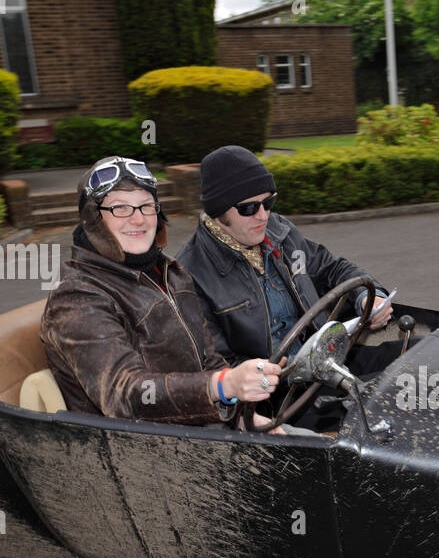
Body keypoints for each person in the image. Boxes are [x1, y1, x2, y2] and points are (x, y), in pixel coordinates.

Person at [40, 156, 283, 429]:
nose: (138, 219)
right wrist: (222, 386)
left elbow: (209, 361)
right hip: (139, 452)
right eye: (120, 208)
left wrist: (243, 417)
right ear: (93, 219)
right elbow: (126, 394)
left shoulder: (171, 273)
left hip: (202, 432)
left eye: (146, 206)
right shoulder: (77, 297)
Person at [176, 146, 399, 403]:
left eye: (269, 201)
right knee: (380, 402)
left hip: (329, 361)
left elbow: (332, 267)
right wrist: (275, 372)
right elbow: (218, 367)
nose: (263, 215)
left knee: (420, 360)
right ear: (219, 211)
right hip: (279, 396)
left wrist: (367, 297)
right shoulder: (190, 275)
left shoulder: (279, 231)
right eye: (249, 208)